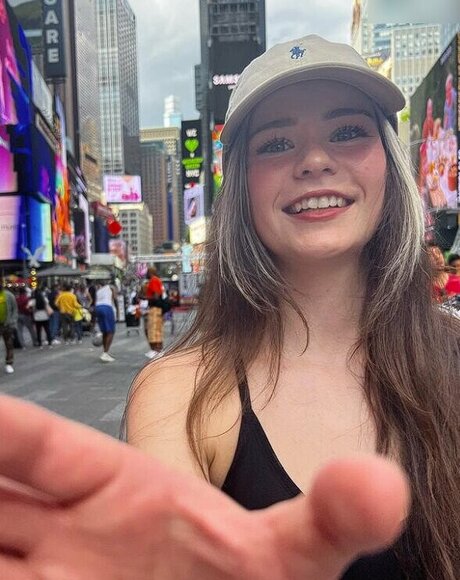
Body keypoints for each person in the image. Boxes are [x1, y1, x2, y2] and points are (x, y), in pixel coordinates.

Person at [0, 34, 457, 580]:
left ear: (389, 159)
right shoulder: (182, 394)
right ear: (239, 185)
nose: (314, 161)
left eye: (347, 132)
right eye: (276, 143)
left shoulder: (452, 354)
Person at [142, 266, 165, 359]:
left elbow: (156, 296)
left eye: (147, 272)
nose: (146, 274)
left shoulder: (154, 280)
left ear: (150, 272)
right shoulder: (156, 280)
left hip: (155, 308)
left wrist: (145, 297)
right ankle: (157, 350)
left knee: (154, 329)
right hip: (155, 308)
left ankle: (157, 350)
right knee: (154, 329)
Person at [95, 279, 117, 362]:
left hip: (98, 308)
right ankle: (105, 353)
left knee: (105, 331)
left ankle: (105, 352)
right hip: (107, 307)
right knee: (111, 331)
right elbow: (115, 298)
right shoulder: (111, 287)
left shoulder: (99, 290)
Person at [0, 279, 18, 373]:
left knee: (9, 344)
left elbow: (15, 309)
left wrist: (12, 321)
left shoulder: (8, 295)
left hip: (7, 324)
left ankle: (9, 363)